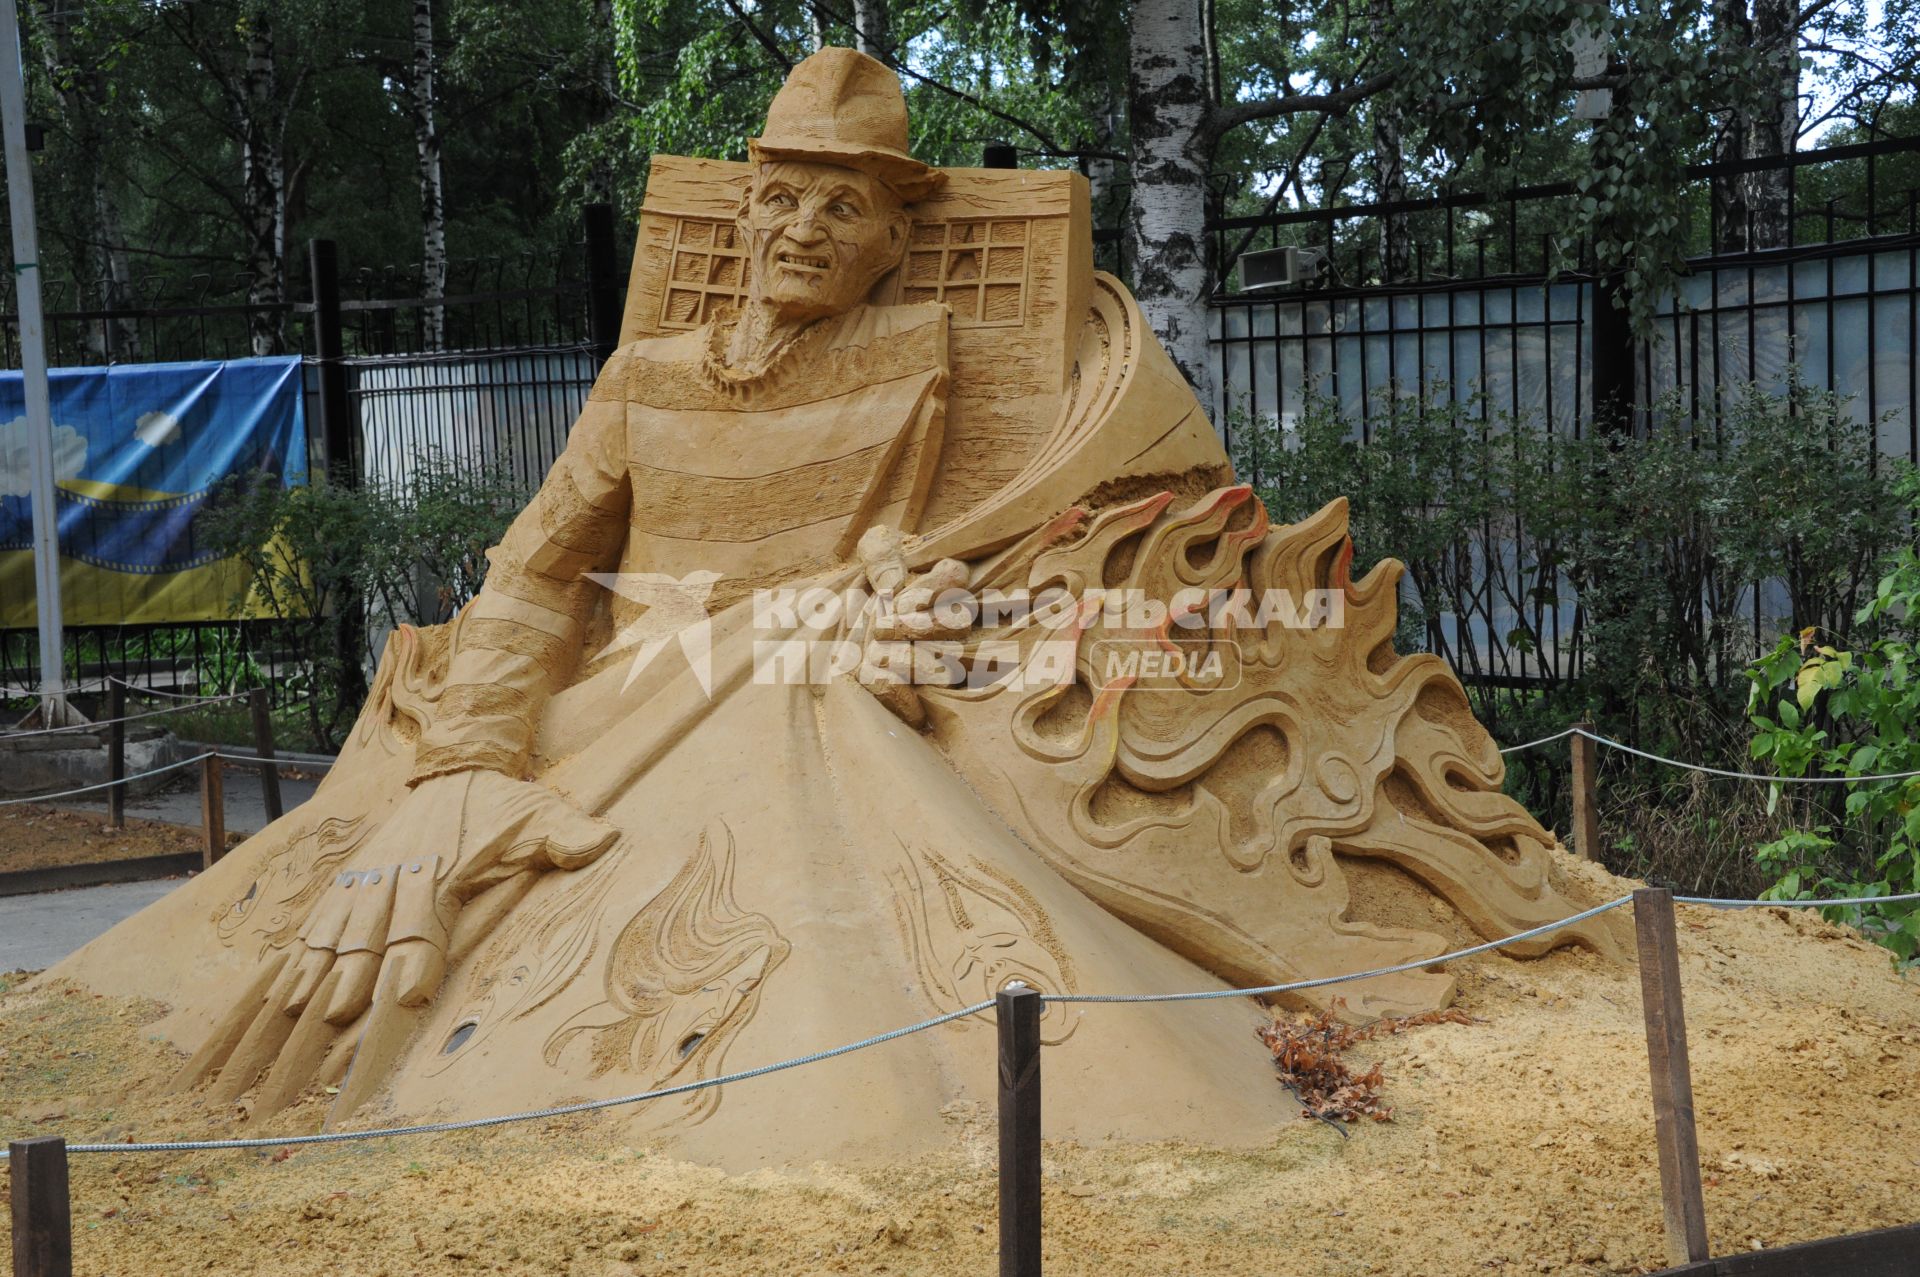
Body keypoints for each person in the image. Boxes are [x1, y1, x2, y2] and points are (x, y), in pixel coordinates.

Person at [55, 49, 1623, 1165]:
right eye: (785, 199)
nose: (808, 230)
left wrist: (921, 583)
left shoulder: (917, 354)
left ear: (894, 237)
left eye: (848, 210)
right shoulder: (647, 375)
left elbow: (960, 535)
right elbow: (537, 566)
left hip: (827, 671)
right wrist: (471, 752)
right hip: (637, 681)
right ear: (741, 212)